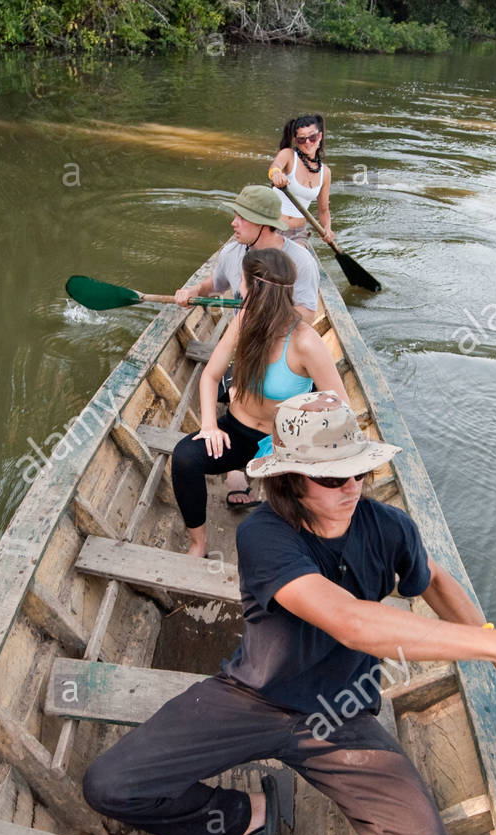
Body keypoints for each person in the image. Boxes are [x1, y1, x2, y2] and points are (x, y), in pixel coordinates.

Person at [83, 392, 496, 835]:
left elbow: (432, 576)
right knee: (109, 786)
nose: (352, 488)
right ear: (291, 478)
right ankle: (246, 815)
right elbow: (350, 623)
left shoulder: (390, 527)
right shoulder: (263, 535)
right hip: (253, 697)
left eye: (360, 472)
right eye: (332, 478)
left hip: (339, 712)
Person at [170, 248, 348, 558]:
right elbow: (211, 377)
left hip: (286, 441)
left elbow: (340, 404)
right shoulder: (243, 321)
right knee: (185, 458)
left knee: (294, 509)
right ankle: (199, 543)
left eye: (242, 282)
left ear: (255, 289)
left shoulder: (305, 341)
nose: (239, 289)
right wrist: (210, 426)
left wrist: (306, 446)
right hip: (238, 431)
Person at [174, 184, 320, 325]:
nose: (233, 223)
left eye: (242, 218)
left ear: (262, 223)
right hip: (244, 336)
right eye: (235, 216)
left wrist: (265, 312)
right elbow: (215, 285)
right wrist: (195, 290)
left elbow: (306, 316)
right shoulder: (231, 252)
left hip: (282, 343)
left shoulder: (300, 261)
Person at [268, 114, 333, 247]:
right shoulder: (289, 155)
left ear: (320, 136)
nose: (308, 142)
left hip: (297, 233)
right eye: (302, 139)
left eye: (312, 137)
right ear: (296, 141)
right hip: (271, 225)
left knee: (298, 263)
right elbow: (275, 167)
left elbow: (323, 210)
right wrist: (276, 175)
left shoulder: (325, 173)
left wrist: (327, 228)